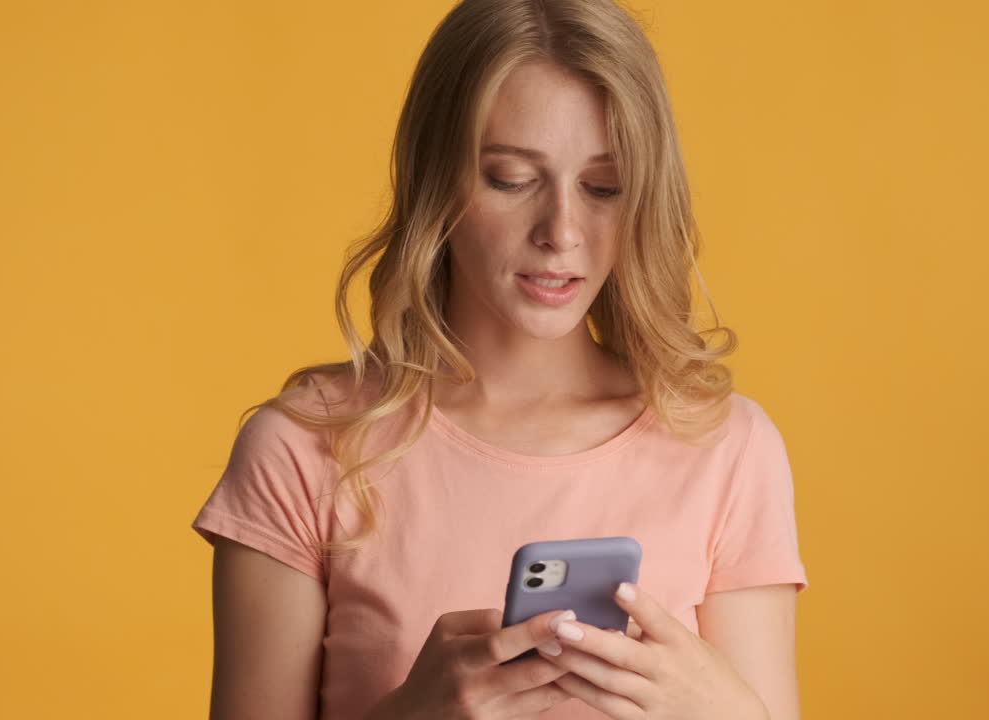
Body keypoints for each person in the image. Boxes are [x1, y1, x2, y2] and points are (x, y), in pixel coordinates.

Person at [190, 1, 809, 718]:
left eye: (603, 186)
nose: (562, 231)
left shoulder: (725, 448)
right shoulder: (304, 449)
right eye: (511, 179)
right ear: (437, 180)